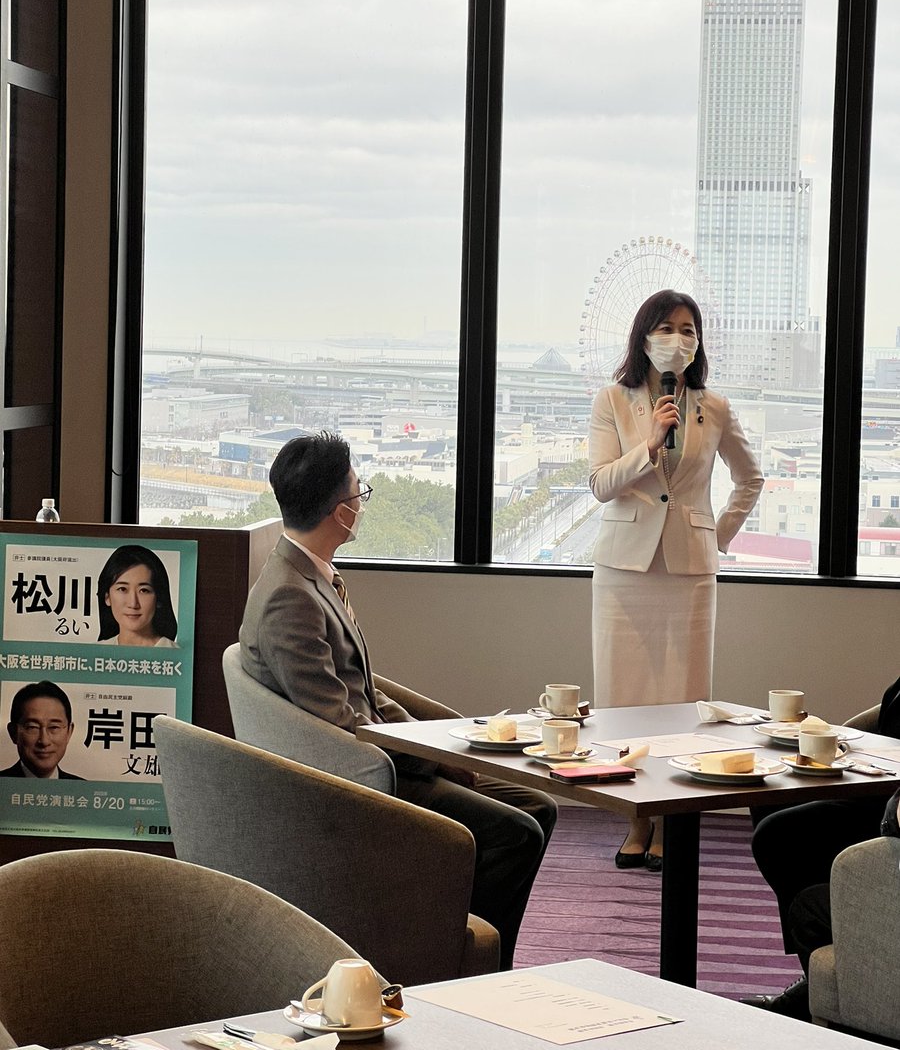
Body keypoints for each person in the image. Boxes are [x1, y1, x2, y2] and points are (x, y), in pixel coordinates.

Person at [240, 431, 557, 969]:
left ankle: (468, 948)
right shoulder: (288, 598)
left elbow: (361, 689)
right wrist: (435, 759)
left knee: (539, 806)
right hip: (363, 779)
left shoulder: (309, 574)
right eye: (358, 491)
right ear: (341, 511)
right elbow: (340, 726)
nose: (361, 502)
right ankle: (462, 968)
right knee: (517, 832)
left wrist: (440, 741)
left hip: (383, 755)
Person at [589, 289, 763, 869]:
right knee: (623, 698)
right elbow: (600, 484)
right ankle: (636, 819)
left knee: (683, 701)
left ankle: (669, 821)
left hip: (690, 570)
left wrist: (717, 534)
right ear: (643, 336)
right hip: (624, 571)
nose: (678, 339)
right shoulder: (613, 400)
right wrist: (649, 443)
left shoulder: (714, 406)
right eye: (666, 327)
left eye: (689, 329)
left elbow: (751, 478)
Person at [743, 673, 900, 1018]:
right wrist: (833, 736)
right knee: (770, 804)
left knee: (781, 838)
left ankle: (822, 986)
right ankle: (816, 975)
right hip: (882, 778)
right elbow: (888, 711)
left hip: (890, 800)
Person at [97, 544, 178, 647]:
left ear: (158, 598)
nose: (133, 604)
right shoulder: (92, 652)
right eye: (122, 589)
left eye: (144, 590)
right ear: (107, 597)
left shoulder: (175, 653)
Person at [1, 680, 84, 779]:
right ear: (13, 732)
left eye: (54, 727)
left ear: (69, 732)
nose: (44, 741)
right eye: (32, 727)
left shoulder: (82, 787)